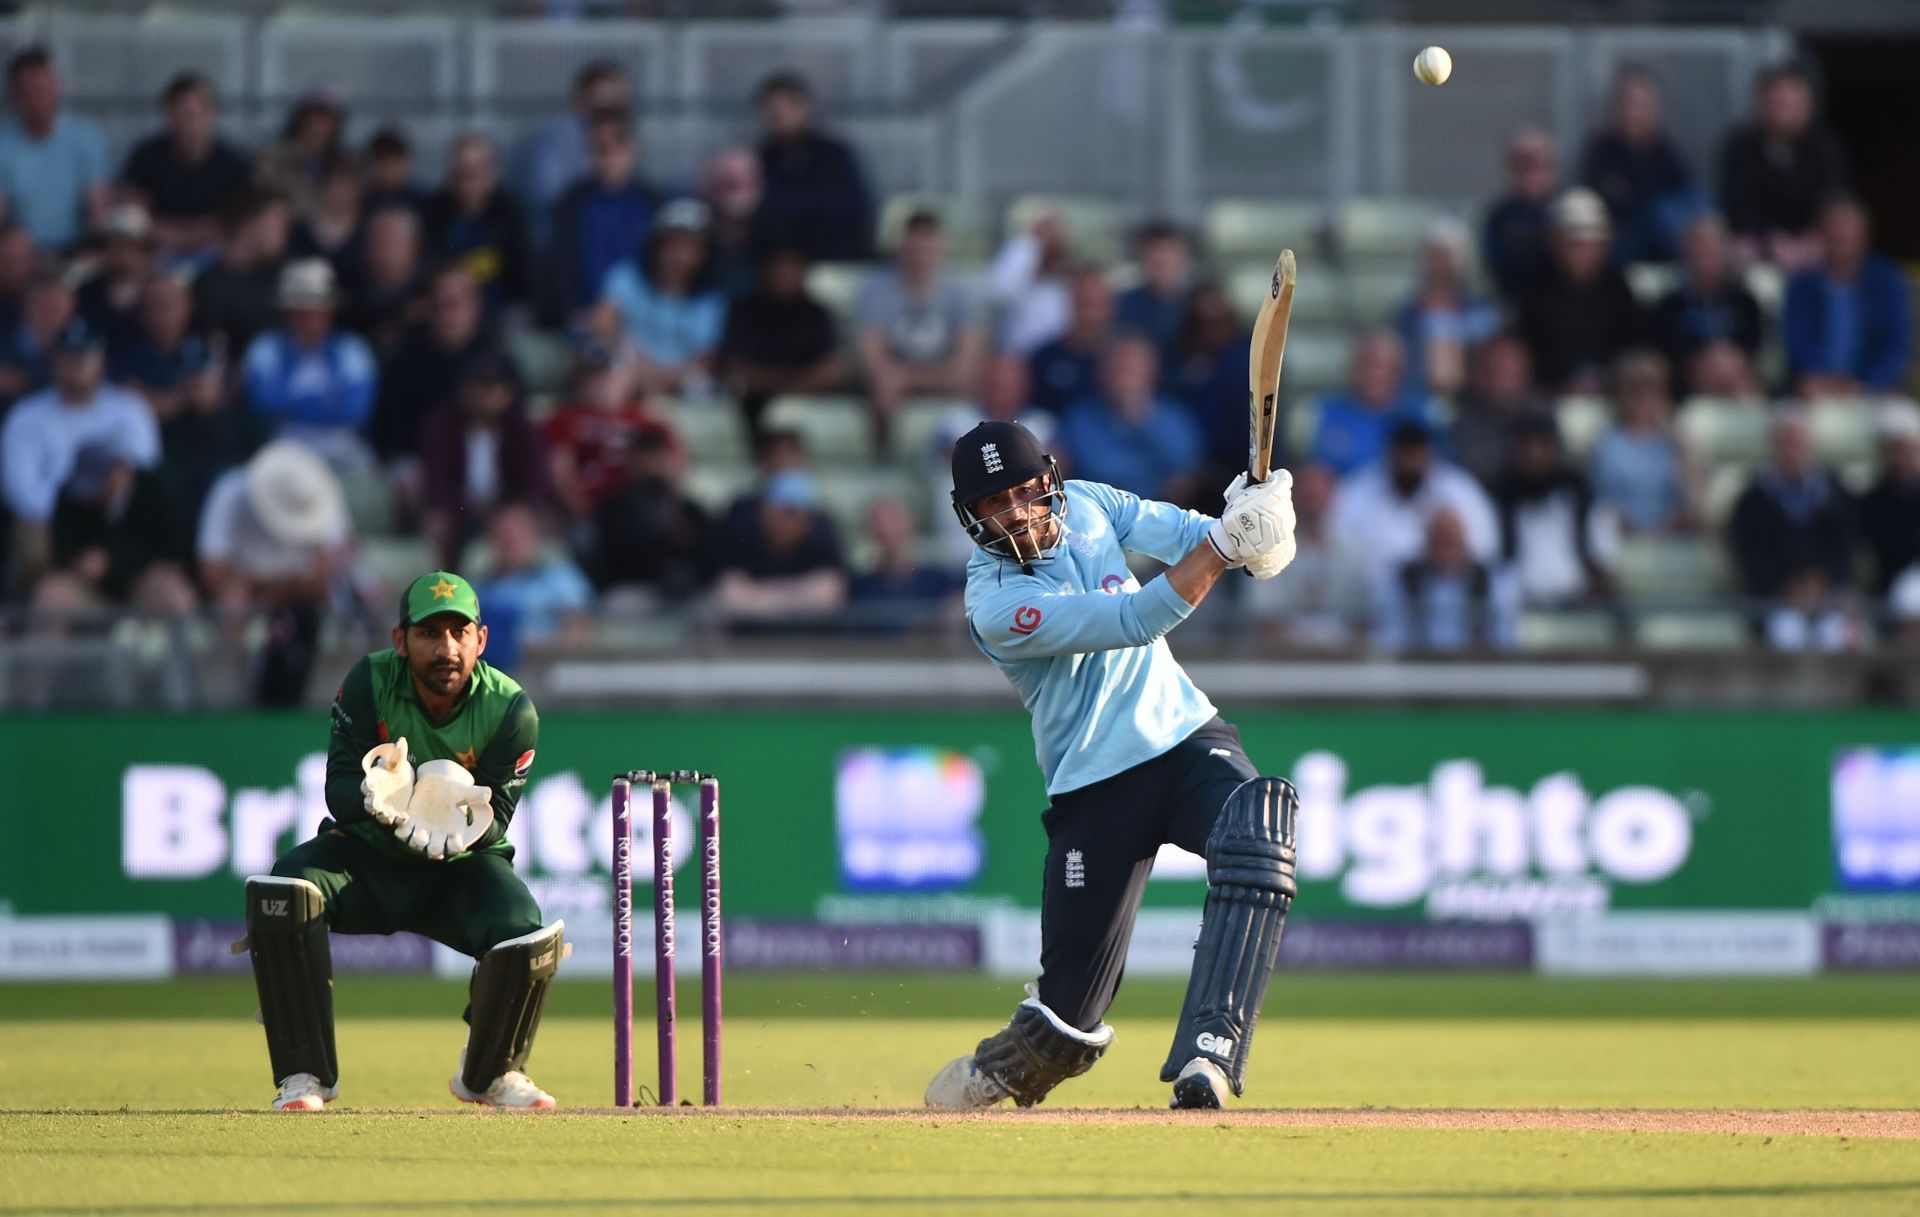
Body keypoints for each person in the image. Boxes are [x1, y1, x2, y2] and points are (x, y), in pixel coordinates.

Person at [926, 419, 1298, 1111]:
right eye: (991, 505)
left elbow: (1196, 537)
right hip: (1094, 787)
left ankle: (1210, 1051)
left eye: (1023, 493)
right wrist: (1226, 543)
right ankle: (1006, 1066)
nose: (1013, 514)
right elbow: (1134, 620)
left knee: (1258, 830)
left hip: (1186, 739)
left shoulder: (1093, 503)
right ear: (969, 516)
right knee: (1067, 1025)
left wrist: (1263, 525)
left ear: (1049, 481)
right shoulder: (995, 603)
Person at [246, 567, 561, 1111]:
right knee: (283, 891)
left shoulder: (511, 709)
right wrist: (376, 800)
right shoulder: (370, 682)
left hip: (457, 873)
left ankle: (493, 1072)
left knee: (526, 935)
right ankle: (303, 1076)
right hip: (368, 858)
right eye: (428, 634)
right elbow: (338, 787)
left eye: (459, 633)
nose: (446, 649)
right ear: (400, 640)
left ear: (481, 640)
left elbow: (499, 817)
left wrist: (447, 831)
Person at [196, 440, 357, 704]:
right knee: (233, 599)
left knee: (338, 602)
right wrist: (263, 593)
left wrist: (269, 592)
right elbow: (211, 570)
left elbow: (327, 574)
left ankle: (325, 705)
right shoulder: (230, 492)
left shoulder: (321, 495)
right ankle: (231, 706)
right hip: (245, 605)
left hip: (301, 604)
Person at [3, 318, 160, 588]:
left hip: (117, 521)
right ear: (54, 361)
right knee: (31, 539)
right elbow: (21, 491)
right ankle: (38, 617)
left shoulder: (129, 409)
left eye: (85, 355)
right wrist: (73, 518)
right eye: (68, 356)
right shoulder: (26, 416)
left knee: (153, 535)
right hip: (52, 522)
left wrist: (103, 509)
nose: (76, 364)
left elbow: (144, 473)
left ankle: (140, 625)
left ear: (101, 360)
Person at [856, 209, 982, 441]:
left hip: (938, 378)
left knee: (974, 386)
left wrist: (911, 378)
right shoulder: (876, 289)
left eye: (927, 247)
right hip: (897, 383)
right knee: (882, 388)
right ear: (902, 247)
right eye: (915, 248)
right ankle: (886, 456)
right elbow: (872, 358)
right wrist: (897, 378)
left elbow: (967, 363)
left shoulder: (960, 292)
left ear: (940, 247)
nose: (920, 256)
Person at [241, 259, 378, 467]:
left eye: (317, 308)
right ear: (288, 311)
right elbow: (261, 405)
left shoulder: (352, 350)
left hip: (340, 446)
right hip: (281, 445)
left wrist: (292, 405)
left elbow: (356, 411)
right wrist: (327, 401)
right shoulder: (265, 348)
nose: (310, 317)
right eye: (301, 307)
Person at [419, 352, 550, 568]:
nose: (489, 394)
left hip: (510, 511)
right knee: (437, 523)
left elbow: (535, 480)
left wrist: (510, 511)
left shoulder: (523, 428)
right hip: (460, 512)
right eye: (481, 386)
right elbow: (437, 482)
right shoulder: (442, 424)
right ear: (465, 389)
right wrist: (466, 510)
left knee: (539, 521)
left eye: (497, 387)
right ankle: (448, 586)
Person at [1330, 420, 1500, 583]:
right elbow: (1336, 545)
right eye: (1403, 455)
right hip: (1368, 598)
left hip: (1444, 598)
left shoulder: (1461, 492)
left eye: (1415, 455)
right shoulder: (1357, 491)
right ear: (1390, 454)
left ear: (1429, 455)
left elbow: (1485, 550)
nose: (1409, 464)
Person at [1728, 409, 1856, 623]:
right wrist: (1786, 587)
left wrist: (1824, 582)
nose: (1792, 450)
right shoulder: (1752, 500)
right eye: (1786, 441)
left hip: (1829, 595)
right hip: (1775, 599)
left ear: (1810, 444)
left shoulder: (1836, 494)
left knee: (1837, 632)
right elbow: (1750, 553)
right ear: (1773, 445)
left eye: (1797, 441)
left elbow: (1846, 545)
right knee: (1786, 631)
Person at [1719, 62, 1848, 270]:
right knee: (1735, 251)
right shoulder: (1740, 147)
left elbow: (1833, 199)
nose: (1782, 107)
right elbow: (1737, 204)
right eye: (1776, 101)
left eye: (1789, 102)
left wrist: (1807, 238)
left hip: (1810, 241)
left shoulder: (1825, 147)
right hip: (1759, 242)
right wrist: (1769, 239)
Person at [1516, 188, 1643, 395]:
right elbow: (1530, 351)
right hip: (1551, 396)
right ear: (1554, 244)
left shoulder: (1617, 289)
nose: (1582, 254)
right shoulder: (1535, 290)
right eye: (1574, 244)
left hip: (1614, 395)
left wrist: (1607, 379)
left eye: (1590, 245)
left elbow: (1632, 347)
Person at [1782, 196, 1912, 399]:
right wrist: (1821, 378)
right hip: (1814, 387)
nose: (1840, 233)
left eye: (1848, 226)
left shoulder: (1887, 281)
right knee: (1791, 426)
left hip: (1875, 387)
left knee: (1904, 427)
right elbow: (1797, 341)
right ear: (1820, 233)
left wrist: (1866, 383)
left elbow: (1895, 342)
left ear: (1864, 234)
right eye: (1834, 226)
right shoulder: (1802, 284)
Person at [716, 240, 842, 443]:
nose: (783, 272)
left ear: (803, 271)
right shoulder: (743, 310)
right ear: (763, 268)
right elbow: (736, 374)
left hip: (805, 410)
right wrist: (797, 380)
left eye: (791, 265)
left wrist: (773, 386)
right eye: (777, 264)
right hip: (749, 411)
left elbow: (830, 373)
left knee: (784, 413)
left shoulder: (816, 314)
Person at [596, 197, 725, 396]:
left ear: (705, 254)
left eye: (691, 247)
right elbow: (604, 323)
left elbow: (705, 362)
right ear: (655, 246)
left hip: (680, 392)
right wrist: (635, 366)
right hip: (625, 380)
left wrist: (660, 379)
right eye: (672, 244)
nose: (680, 255)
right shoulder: (626, 277)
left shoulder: (710, 302)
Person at [542, 108, 660, 325]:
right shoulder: (572, 202)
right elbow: (562, 269)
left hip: (643, 322)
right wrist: (574, 311)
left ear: (632, 148)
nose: (608, 156)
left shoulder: (652, 203)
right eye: (599, 148)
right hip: (583, 319)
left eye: (616, 145)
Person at [1056, 336, 1205, 505]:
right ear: (1101, 373)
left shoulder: (1173, 414)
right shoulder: (1080, 416)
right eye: (1118, 369)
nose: (1125, 378)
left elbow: (1185, 465)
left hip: (1155, 508)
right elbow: (1086, 466)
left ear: (1153, 372)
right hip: (1095, 508)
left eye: (1132, 369)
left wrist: (1142, 418)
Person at [120, 71, 255, 257]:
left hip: (218, 254)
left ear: (212, 114)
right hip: (156, 253)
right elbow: (134, 216)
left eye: (193, 116)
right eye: (179, 115)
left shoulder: (235, 163)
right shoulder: (146, 157)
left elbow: (240, 221)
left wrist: (180, 234)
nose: (186, 125)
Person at [543, 341, 678, 525]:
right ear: (583, 381)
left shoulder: (643, 417)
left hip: (635, 507)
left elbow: (672, 459)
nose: (605, 385)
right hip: (585, 510)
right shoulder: (565, 417)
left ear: (626, 381)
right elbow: (560, 468)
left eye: (611, 377)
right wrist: (583, 510)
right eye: (597, 378)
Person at [1239, 462, 1371, 649]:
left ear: (1332, 497)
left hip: (1343, 660)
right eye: (1308, 496)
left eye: (1317, 495)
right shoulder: (1266, 546)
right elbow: (1262, 617)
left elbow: (1366, 617)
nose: (1313, 504)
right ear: (1291, 497)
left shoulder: (1354, 551)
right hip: (1281, 659)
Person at [1490, 414, 1617, 608]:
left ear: (1555, 450)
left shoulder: (1582, 496)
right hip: (1517, 611)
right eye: (1527, 448)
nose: (1534, 456)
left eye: (1542, 447)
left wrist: (1590, 597)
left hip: (1577, 609)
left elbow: (1604, 563)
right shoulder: (1499, 500)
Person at [372, 264, 493, 467]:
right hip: (420, 467)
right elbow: (389, 436)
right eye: (441, 304)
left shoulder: (497, 364)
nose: (450, 315)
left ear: (475, 307)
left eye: (457, 304)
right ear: (427, 309)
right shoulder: (403, 364)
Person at [753, 70, 874, 262]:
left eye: (785, 109)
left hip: (833, 257)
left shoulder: (834, 155)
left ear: (805, 108)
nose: (778, 116)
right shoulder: (759, 158)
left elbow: (849, 207)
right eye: (771, 111)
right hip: (777, 265)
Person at [1579, 65, 1695, 264]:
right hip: (1622, 240)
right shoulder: (1603, 151)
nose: (1637, 112)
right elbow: (1605, 203)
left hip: (1666, 243)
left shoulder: (1666, 152)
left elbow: (1683, 200)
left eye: (1644, 104)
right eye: (1632, 103)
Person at [512, 59, 630, 247]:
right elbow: (543, 198)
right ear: (580, 99)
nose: (611, 112)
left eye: (618, 105)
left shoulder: (624, 140)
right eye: (603, 106)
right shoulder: (551, 141)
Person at [0, 48, 108, 251]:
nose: (38, 100)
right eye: (28, 92)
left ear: (57, 88)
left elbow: (98, 212)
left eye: (44, 89)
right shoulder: (3, 144)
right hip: (21, 252)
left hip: (77, 250)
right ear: (15, 97)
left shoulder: (86, 138)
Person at [1647, 214, 1764, 399]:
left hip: (1736, 380)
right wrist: (1702, 363)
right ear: (1685, 256)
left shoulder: (1744, 302)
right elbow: (1666, 354)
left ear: (1724, 255)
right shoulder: (1669, 306)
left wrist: (1724, 361)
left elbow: (1751, 349)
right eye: (1697, 252)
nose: (1703, 260)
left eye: (1710, 252)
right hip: (1685, 387)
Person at [1373, 507, 1519, 653]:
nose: (1445, 551)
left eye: (1450, 542)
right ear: (1426, 542)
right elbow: (1392, 636)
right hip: (1418, 667)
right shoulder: (1403, 580)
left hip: (1473, 667)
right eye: (1439, 541)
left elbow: (1503, 638)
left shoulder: (1489, 582)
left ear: (1463, 542)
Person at [713, 469, 849, 625]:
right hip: (749, 645)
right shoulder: (743, 540)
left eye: (791, 513)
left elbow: (828, 595)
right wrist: (797, 597)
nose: (782, 521)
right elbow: (729, 597)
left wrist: (760, 597)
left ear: (808, 520)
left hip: (811, 644)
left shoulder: (822, 546)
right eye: (775, 511)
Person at [590, 428, 711, 600]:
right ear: (632, 462)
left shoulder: (688, 508)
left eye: (657, 460)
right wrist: (666, 540)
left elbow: (707, 551)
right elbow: (615, 557)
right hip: (635, 589)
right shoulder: (614, 507)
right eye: (644, 460)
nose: (651, 468)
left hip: (688, 590)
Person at [1589, 350, 1700, 536]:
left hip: (1672, 541)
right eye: (1637, 390)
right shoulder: (1606, 442)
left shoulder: (1680, 440)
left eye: (1654, 389)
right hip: (1620, 538)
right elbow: (1598, 500)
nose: (1646, 398)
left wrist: (1680, 442)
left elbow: (1695, 505)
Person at [472, 502, 592, 671]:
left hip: (549, 671)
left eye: (519, 534)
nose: (512, 541)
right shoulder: (479, 588)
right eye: (504, 535)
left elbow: (577, 630)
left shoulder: (559, 578)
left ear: (534, 536)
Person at [421, 134, 532, 318]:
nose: (467, 181)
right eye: (460, 171)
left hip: (498, 316)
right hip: (444, 316)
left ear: (492, 173)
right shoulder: (432, 214)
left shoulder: (509, 214)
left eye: (475, 172)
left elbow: (523, 280)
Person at [1310, 331, 1444, 477]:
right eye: (1366, 365)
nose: (1372, 374)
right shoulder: (1325, 412)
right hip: (1340, 496)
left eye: (1380, 366)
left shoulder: (1419, 417)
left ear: (1399, 370)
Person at [1395, 219, 1500, 398]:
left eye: (1446, 256)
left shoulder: (1483, 315)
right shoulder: (1407, 316)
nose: (1440, 265)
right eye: (1435, 256)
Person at [192, 188, 292, 353]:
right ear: (248, 225)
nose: (285, 233)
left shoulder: (283, 275)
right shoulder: (209, 286)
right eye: (278, 223)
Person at [1450, 332, 1545, 487]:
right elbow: (1472, 467)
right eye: (1497, 364)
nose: (1503, 371)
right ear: (1483, 370)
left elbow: (1549, 467)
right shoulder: (1467, 416)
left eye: (1510, 363)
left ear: (1525, 368)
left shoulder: (1540, 411)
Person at [1482, 129, 1560, 301]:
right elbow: (1501, 269)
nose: (1531, 175)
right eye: (1523, 166)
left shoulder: (1566, 213)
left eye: (1537, 165)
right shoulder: (1497, 218)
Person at [1028, 267, 1116, 416]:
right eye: (1084, 302)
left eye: (1097, 304)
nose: (1090, 313)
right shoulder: (1044, 359)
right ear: (1070, 304)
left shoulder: (1126, 362)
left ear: (1111, 306)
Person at [984, 211, 1073, 355]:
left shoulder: (1069, 286)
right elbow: (999, 290)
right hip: (1020, 362)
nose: (1051, 243)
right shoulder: (1020, 283)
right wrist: (1032, 242)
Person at [1855, 402, 1920, 597]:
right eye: (1894, 450)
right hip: (1890, 585)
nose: (1901, 458)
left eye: (1906, 449)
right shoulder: (1872, 501)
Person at [76, 204, 157, 357]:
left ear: (146, 250)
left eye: (131, 246)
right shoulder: (87, 292)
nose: (123, 254)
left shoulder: (159, 293)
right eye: (115, 245)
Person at [1115, 220, 1195, 364]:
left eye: (1168, 253)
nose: (1162, 261)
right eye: (1155, 256)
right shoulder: (1122, 305)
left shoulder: (1198, 304)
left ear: (1183, 258)